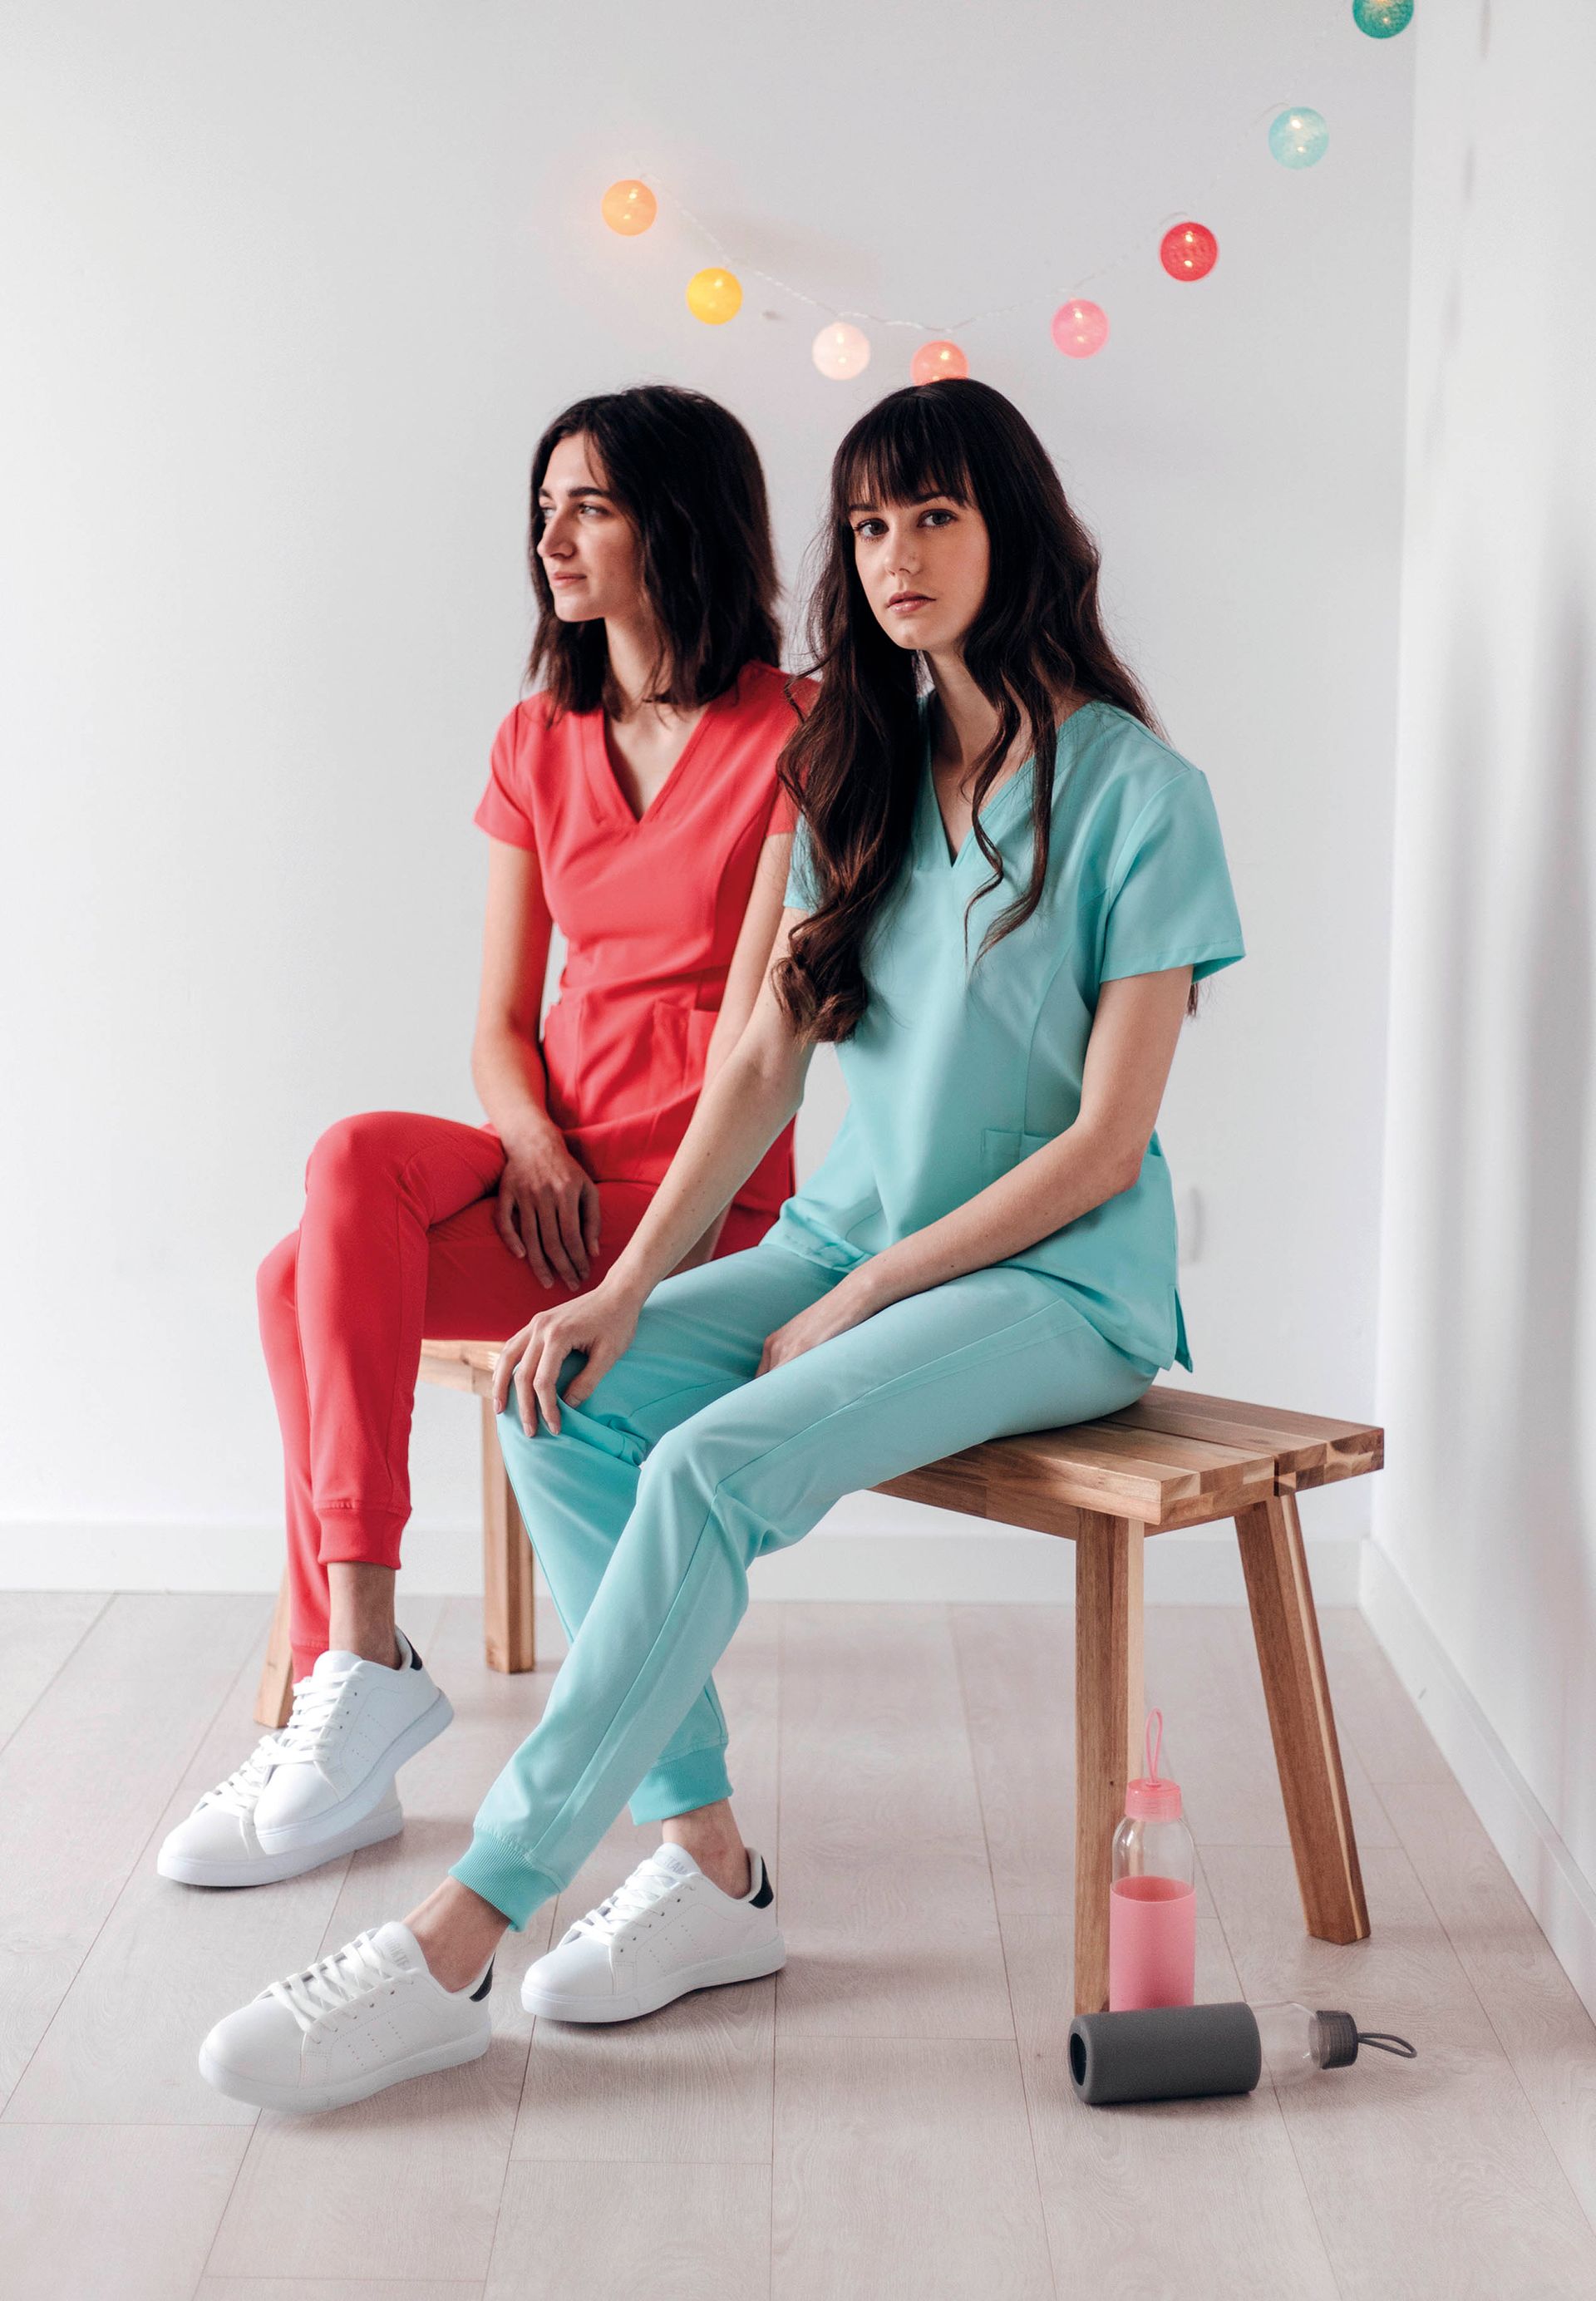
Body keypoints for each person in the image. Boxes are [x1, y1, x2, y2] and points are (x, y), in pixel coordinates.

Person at [196, 376, 1245, 2116]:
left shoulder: (1145, 794)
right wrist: (619, 1290)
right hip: (846, 1243)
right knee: (561, 1388)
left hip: (1054, 1283)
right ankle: (712, 1873)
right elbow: (762, 1056)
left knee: (708, 1465)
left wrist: (866, 1288)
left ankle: (457, 1936)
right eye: (868, 525)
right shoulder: (861, 762)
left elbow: (1103, 1144)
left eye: (935, 518)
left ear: (1020, 536)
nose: (895, 556)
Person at [159, 385, 810, 1892]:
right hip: (550, 1180)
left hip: (694, 1218)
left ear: (682, 521)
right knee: (340, 1180)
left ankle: (349, 1698)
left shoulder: (797, 734)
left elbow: (765, 1050)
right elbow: (500, 1022)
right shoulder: (537, 737)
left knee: (286, 1284)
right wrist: (528, 1143)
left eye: (589, 505)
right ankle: (365, 1660)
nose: (551, 539)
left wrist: (628, 1235)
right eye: (544, 509)